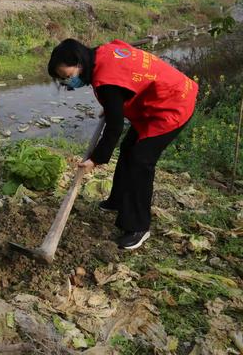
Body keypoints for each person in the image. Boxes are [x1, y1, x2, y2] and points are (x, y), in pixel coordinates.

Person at [47, 38, 198, 250]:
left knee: (141, 160)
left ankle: (138, 227)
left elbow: (114, 128)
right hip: (154, 100)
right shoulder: (102, 53)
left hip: (173, 103)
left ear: (80, 62)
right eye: (64, 79)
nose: (69, 82)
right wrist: (113, 106)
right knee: (128, 148)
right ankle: (117, 200)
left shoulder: (106, 79)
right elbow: (126, 77)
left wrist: (96, 159)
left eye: (69, 76)